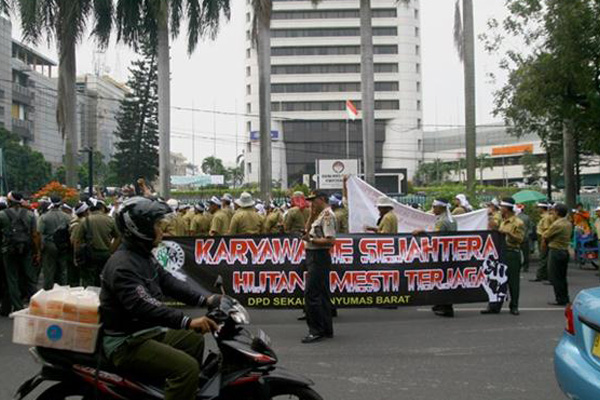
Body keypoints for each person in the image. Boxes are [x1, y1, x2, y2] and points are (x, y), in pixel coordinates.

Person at [100, 197, 221, 400]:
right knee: (187, 369)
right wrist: (187, 321)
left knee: (194, 340)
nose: (162, 229)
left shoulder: (143, 256)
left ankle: (178, 391)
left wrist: (206, 300)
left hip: (144, 331)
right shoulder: (123, 265)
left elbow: (169, 283)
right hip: (127, 342)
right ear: (141, 229)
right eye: (156, 224)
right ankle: (181, 385)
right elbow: (144, 305)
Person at [301, 191, 336, 343]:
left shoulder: (328, 215)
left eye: (313, 200)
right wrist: (310, 215)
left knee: (312, 295)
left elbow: (330, 241)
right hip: (314, 256)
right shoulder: (319, 215)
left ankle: (316, 330)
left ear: (322, 199)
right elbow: (307, 231)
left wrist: (312, 240)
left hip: (318, 256)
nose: (311, 203)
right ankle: (326, 329)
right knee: (321, 294)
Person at [414, 198, 457, 317]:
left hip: (442, 253)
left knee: (442, 280)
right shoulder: (452, 219)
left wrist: (423, 232)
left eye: (435, 207)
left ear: (441, 207)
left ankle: (446, 307)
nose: (433, 209)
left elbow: (436, 237)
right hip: (450, 253)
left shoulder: (442, 222)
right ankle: (441, 304)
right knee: (446, 279)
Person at [482, 198, 525, 316]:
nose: (500, 209)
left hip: (512, 252)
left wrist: (508, 233)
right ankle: (494, 306)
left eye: (502, 207)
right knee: (496, 280)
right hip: (499, 252)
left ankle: (514, 306)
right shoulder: (501, 219)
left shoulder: (518, 222)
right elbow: (492, 227)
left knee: (513, 281)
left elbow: (520, 239)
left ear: (506, 208)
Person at [0, 192, 40, 313]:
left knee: (12, 279)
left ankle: (17, 307)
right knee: (30, 279)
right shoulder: (30, 215)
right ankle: (36, 306)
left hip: (8, 250)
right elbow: (35, 235)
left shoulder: (2, 215)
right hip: (27, 249)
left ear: (9, 201)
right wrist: (37, 252)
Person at [74, 198, 120, 287]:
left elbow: (77, 240)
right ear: (102, 208)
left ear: (90, 209)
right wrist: (111, 250)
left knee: (88, 280)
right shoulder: (110, 220)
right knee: (103, 278)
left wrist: (76, 256)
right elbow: (118, 237)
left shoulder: (85, 221)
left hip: (89, 255)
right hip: (105, 254)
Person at [38, 196, 72, 290]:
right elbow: (71, 230)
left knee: (49, 270)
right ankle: (64, 290)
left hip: (49, 245)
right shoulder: (67, 216)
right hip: (63, 246)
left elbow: (39, 233)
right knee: (63, 270)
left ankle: (48, 291)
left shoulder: (44, 217)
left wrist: (39, 249)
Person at [543, 203, 573, 306]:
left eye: (554, 211)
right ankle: (565, 297)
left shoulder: (557, 224)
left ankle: (560, 298)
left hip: (556, 251)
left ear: (557, 212)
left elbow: (546, 234)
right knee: (562, 276)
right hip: (564, 250)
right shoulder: (568, 223)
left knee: (555, 276)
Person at [531, 202, 555, 283]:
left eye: (539, 207)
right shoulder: (545, 217)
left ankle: (540, 275)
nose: (538, 209)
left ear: (542, 208)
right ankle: (544, 275)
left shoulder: (546, 217)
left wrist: (544, 241)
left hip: (543, 238)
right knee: (544, 257)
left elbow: (546, 230)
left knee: (543, 257)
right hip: (542, 237)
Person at [516, 204, 532, 273]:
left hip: (517, 238)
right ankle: (526, 267)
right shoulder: (527, 217)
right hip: (525, 237)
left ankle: (518, 266)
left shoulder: (515, 218)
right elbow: (530, 228)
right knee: (526, 254)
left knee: (517, 253)